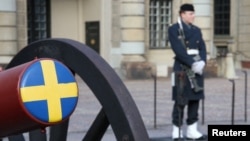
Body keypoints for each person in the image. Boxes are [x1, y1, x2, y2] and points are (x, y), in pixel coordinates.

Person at [168, 3, 207, 141]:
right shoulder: (174, 29)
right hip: (182, 68)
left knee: (195, 99)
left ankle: (192, 130)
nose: (193, 16)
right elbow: (178, 50)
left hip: (197, 68)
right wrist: (192, 63)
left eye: (193, 13)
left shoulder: (196, 30)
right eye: (190, 13)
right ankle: (177, 131)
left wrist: (202, 61)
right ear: (182, 14)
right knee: (181, 99)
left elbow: (202, 47)